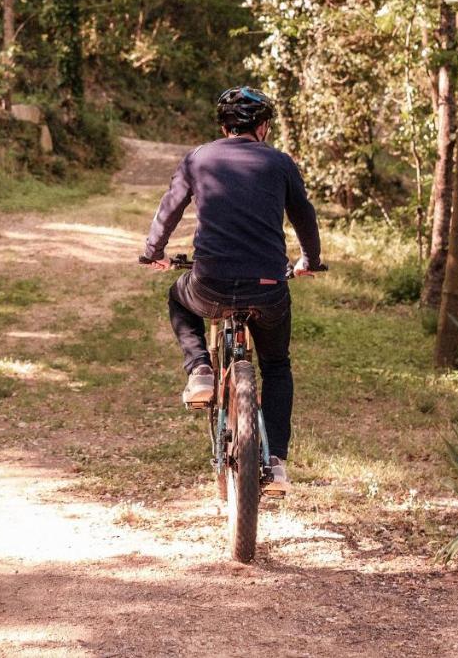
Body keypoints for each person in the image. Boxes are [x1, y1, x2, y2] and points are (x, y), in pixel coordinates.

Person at [138, 86, 322, 494]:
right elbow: (304, 216)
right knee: (275, 366)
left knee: (177, 298)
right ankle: (275, 464)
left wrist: (155, 253)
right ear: (264, 127)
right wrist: (309, 259)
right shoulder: (280, 163)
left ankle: (201, 370)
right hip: (268, 287)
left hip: (210, 282)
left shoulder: (199, 158)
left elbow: (169, 208)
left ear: (223, 127)